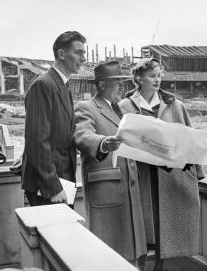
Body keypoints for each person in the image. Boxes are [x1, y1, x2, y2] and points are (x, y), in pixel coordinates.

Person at [119, 58, 205, 270]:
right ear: (138, 78)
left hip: (169, 178)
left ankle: (160, 267)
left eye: (159, 75)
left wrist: (198, 172)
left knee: (165, 232)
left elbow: (190, 139)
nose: (157, 80)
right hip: (140, 177)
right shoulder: (124, 107)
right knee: (140, 231)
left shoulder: (175, 106)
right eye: (152, 76)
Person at [74, 61, 147, 264]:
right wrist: (103, 143)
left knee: (132, 255)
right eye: (116, 82)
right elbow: (81, 136)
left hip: (129, 192)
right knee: (108, 256)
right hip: (107, 194)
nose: (122, 87)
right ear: (102, 85)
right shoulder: (87, 107)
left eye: (122, 82)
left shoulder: (121, 111)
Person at [20, 31, 86, 206]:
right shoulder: (44, 85)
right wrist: (53, 187)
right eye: (78, 52)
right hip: (49, 185)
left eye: (84, 53)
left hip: (62, 179)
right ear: (62, 54)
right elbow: (37, 140)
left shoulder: (62, 85)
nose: (83, 58)